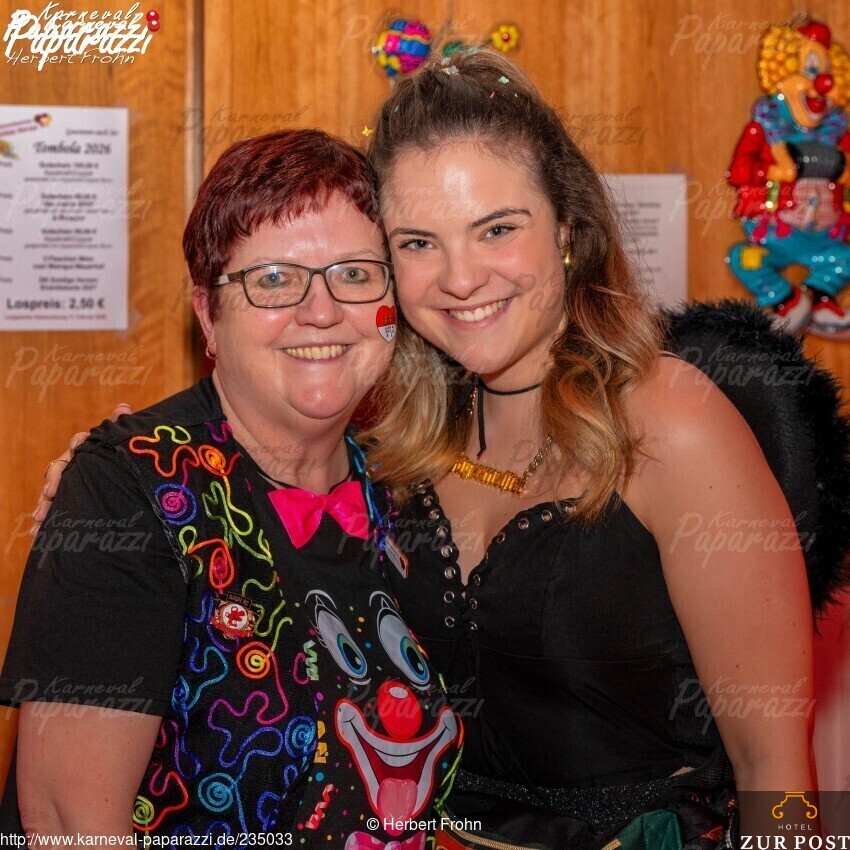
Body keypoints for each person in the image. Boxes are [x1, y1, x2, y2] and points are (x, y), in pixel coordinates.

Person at [33, 51, 816, 848]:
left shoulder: (672, 420)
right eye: (417, 242)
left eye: (498, 229)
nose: (461, 278)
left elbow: (778, 766)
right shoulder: (402, 451)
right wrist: (116, 489)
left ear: (568, 231)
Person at [1, 129, 460, 847]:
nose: (321, 310)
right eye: (272, 280)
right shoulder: (130, 490)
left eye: (354, 274)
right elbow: (67, 825)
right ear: (207, 316)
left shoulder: (400, 486)